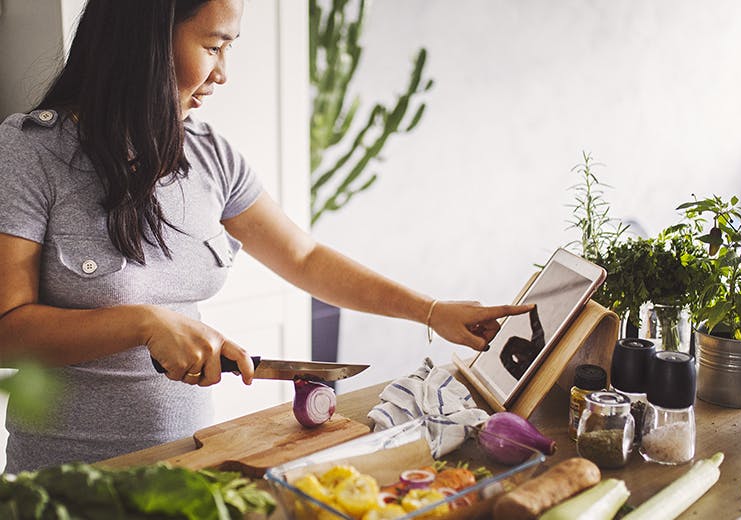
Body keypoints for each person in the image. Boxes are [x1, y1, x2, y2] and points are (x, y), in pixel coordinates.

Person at [0, 0, 533, 473]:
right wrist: (141, 322)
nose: (222, 73)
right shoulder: (29, 152)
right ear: (143, 41)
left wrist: (432, 311)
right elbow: (7, 331)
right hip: (65, 481)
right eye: (213, 46)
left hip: (190, 463)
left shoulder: (210, 155)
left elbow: (305, 257)